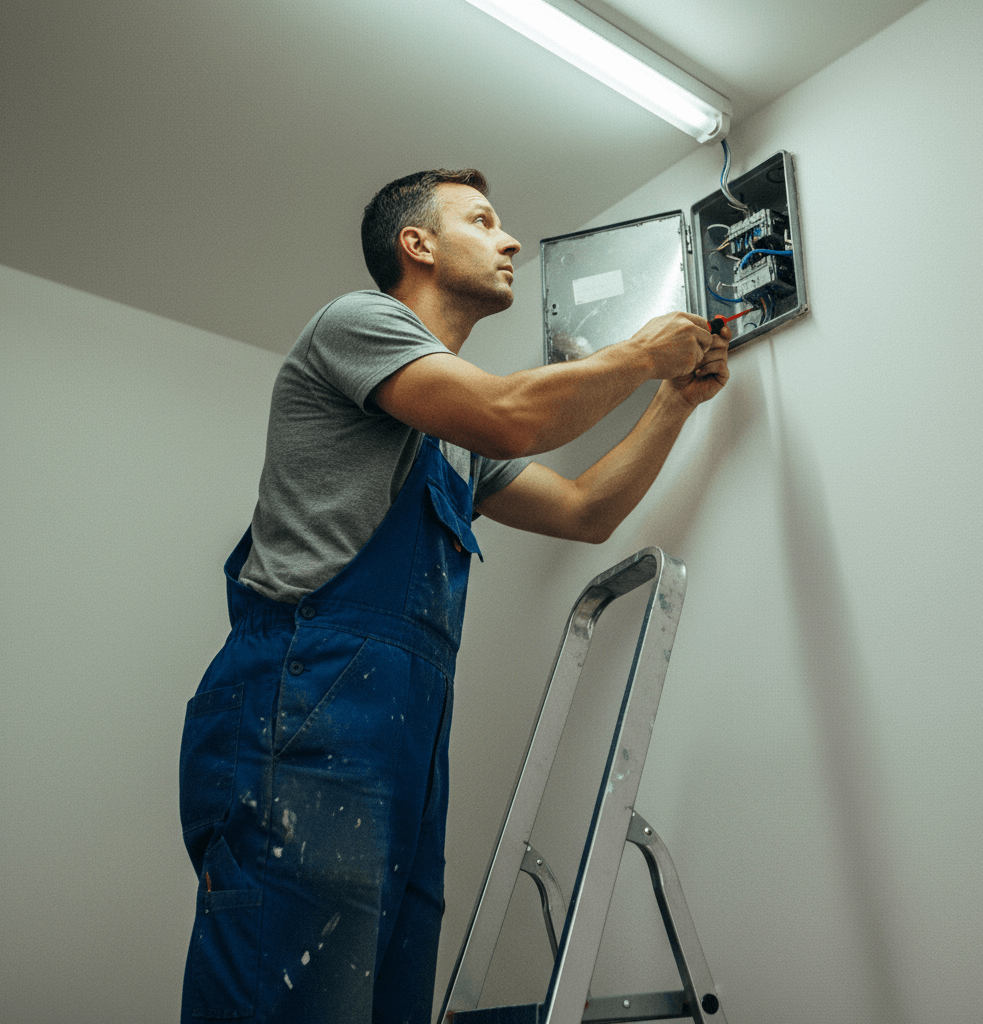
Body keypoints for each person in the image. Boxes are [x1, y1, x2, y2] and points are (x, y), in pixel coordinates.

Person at [178, 168, 730, 1023]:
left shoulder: (454, 441)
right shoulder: (357, 323)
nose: (510, 240)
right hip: (304, 722)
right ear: (418, 244)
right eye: (483, 220)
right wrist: (639, 352)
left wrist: (672, 403)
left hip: (402, 753)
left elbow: (585, 512)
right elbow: (510, 412)